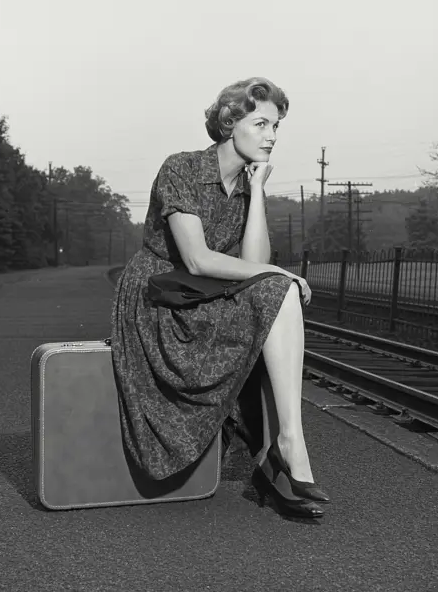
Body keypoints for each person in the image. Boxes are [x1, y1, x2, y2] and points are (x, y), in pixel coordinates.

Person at [111, 77, 329, 520]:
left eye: (277, 127)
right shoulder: (183, 168)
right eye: (262, 123)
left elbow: (252, 260)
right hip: (159, 299)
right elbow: (195, 259)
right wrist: (278, 273)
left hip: (199, 298)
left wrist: (260, 191)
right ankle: (280, 452)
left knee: (277, 293)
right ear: (231, 122)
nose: (271, 136)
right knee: (278, 285)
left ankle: (288, 443)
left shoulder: (248, 186)